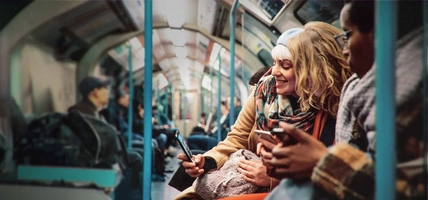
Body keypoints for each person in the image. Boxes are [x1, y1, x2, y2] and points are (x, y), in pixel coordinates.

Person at [266, 1, 426, 199]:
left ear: (376, 34)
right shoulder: (353, 95)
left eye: (348, 35)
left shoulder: (410, 99)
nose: (344, 49)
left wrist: (322, 162)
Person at [175, 21, 352, 199]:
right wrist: (207, 162)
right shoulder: (264, 92)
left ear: (307, 70)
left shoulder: (327, 109)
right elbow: (237, 139)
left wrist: (271, 178)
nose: (274, 72)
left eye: (285, 66)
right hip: (247, 176)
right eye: (274, 63)